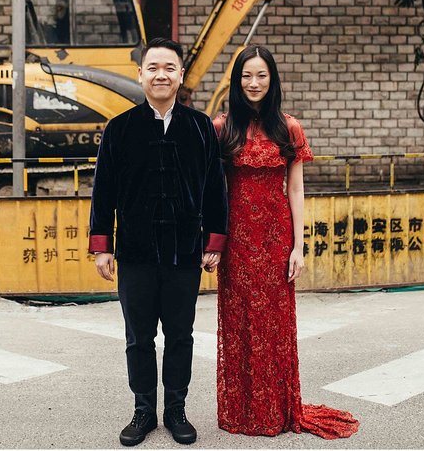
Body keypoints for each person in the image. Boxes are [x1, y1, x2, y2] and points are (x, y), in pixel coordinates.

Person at [213, 46, 359, 440]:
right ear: (237, 80)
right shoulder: (221, 127)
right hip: (237, 239)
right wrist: (213, 240)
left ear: (272, 80)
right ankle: (243, 410)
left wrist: (299, 245)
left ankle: (276, 408)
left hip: (276, 237)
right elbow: (213, 189)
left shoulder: (289, 127)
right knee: (240, 320)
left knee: (275, 324)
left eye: (261, 75)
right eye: (247, 76)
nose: (254, 83)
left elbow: (295, 189)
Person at [89, 37, 228, 447]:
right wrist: (102, 245)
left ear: (181, 75)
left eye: (169, 67)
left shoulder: (200, 127)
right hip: (135, 252)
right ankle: (144, 410)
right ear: (141, 74)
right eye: (153, 68)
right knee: (139, 336)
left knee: (181, 335)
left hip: (184, 252)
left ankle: (177, 409)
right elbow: (103, 192)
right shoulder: (120, 129)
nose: (161, 74)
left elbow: (215, 191)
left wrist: (214, 241)